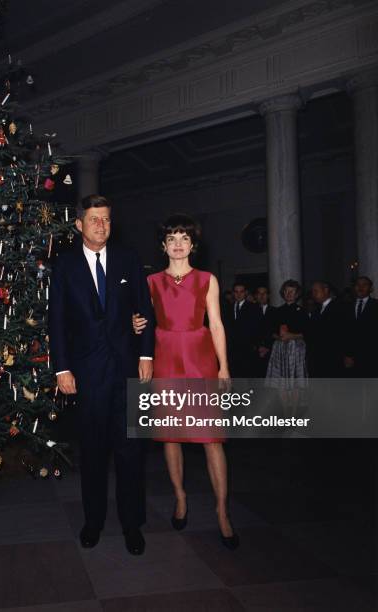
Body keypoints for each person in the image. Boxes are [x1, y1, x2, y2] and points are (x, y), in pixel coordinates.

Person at [48, 194, 155, 556]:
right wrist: (62, 367)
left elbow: (145, 311)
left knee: (130, 452)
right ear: (79, 224)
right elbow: (57, 321)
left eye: (106, 219)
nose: (101, 225)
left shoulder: (128, 258)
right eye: (94, 219)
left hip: (127, 370)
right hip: (87, 372)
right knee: (92, 453)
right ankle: (92, 522)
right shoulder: (64, 266)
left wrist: (146, 353)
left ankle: (132, 525)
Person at [132, 214, 238, 550]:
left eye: (184, 238)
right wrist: (135, 324)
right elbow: (141, 323)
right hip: (164, 359)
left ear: (193, 245)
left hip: (200, 358)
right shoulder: (150, 282)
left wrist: (224, 367)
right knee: (170, 437)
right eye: (172, 239)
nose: (178, 244)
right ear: (163, 246)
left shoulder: (207, 279)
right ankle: (180, 498)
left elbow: (217, 325)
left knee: (212, 439)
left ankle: (222, 511)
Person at [265, 279, 308, 412]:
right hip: (279, 349)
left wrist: (291, 336)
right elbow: (270, 332)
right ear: (283, 293)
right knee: (281, 383)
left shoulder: (302, 311)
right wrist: (279, 337)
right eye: (286, 291)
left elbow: (307, 333)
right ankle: (285, 413)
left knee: (294, 383)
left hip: (296, 349)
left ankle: (294, 413)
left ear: (297, 294)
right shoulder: (277, 311)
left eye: (292, 291)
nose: (289, 294)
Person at [306, 281, 345, 377]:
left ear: (326, 290)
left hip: (332, 357)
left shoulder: (339, 307)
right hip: (317, 357)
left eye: (316, 291)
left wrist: (348, 354)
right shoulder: (317, 310)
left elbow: (345, 332)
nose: (313, 294)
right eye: (312, 292)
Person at [223, 282, 262, 378]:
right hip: (232, 350)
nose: (238, 294)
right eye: (236, 292)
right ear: (233, 293)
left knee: (247, 377)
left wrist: (255, 345)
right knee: (234, 376)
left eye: (241, 292)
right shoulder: (228, 308)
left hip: (247, 349)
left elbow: (257, 328)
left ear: (246, 293)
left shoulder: (254, 307)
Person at [343, 276, 378, 377]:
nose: (360, 287)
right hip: (351, 357)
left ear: (371, 289)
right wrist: (347, 354)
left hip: (372, 356)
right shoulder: (346, 306)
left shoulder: (376, 306)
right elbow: (344, 332)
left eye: (364, 285)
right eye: (357, 285)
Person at [254, 286, 277, 377]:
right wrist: (258, 346)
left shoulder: (275, 311)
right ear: (256, 296)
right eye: (259, 293)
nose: (262, 296)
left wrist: (267, 347)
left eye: (264, 293)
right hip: (255, 351)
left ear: (268, 295)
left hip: (271, 351)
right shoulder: (250, 311)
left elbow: (275, 331)